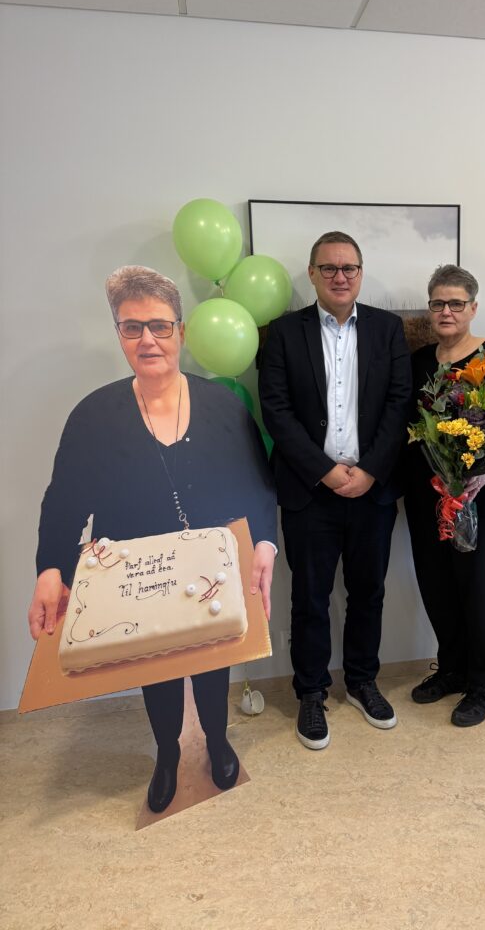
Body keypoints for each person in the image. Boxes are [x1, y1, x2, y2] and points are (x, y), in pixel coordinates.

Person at [28, 266, 277, 812]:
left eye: (160, 326)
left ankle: (217, 740)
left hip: (209, 575)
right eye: (132, 327)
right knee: (155, 670)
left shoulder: (222, 407)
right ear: (118, 334)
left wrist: (265, 543)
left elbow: (258, 483)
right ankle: (167, 752)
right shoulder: (93, 416)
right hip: (134, 581)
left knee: (212, 661)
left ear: (180, 332)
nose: (148, 340)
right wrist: (51, 569)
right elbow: (64, 501)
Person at [259, 231, 411, 750]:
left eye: (349, 268)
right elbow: (276, 410)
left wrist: (369, 470)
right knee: (310, 598)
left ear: (361, 273)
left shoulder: (388, 330)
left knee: (369, 593)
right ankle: (311, 691)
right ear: (312, 274)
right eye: (329, 268)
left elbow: (399, 404)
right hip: (309, 491)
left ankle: (363, 682)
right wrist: (325, 470)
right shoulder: (283, 333)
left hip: (373, 490)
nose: (340, 277)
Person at [404, 264, 485, 727]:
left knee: (480, 590)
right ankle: (452, 669)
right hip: (428, 500)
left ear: (473, 308)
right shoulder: (419, 362)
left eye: (456, 303)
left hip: (483, 501)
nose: (446, 311)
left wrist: (482, 474)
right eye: (438, 303)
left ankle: (484, 686)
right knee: (437, 587)